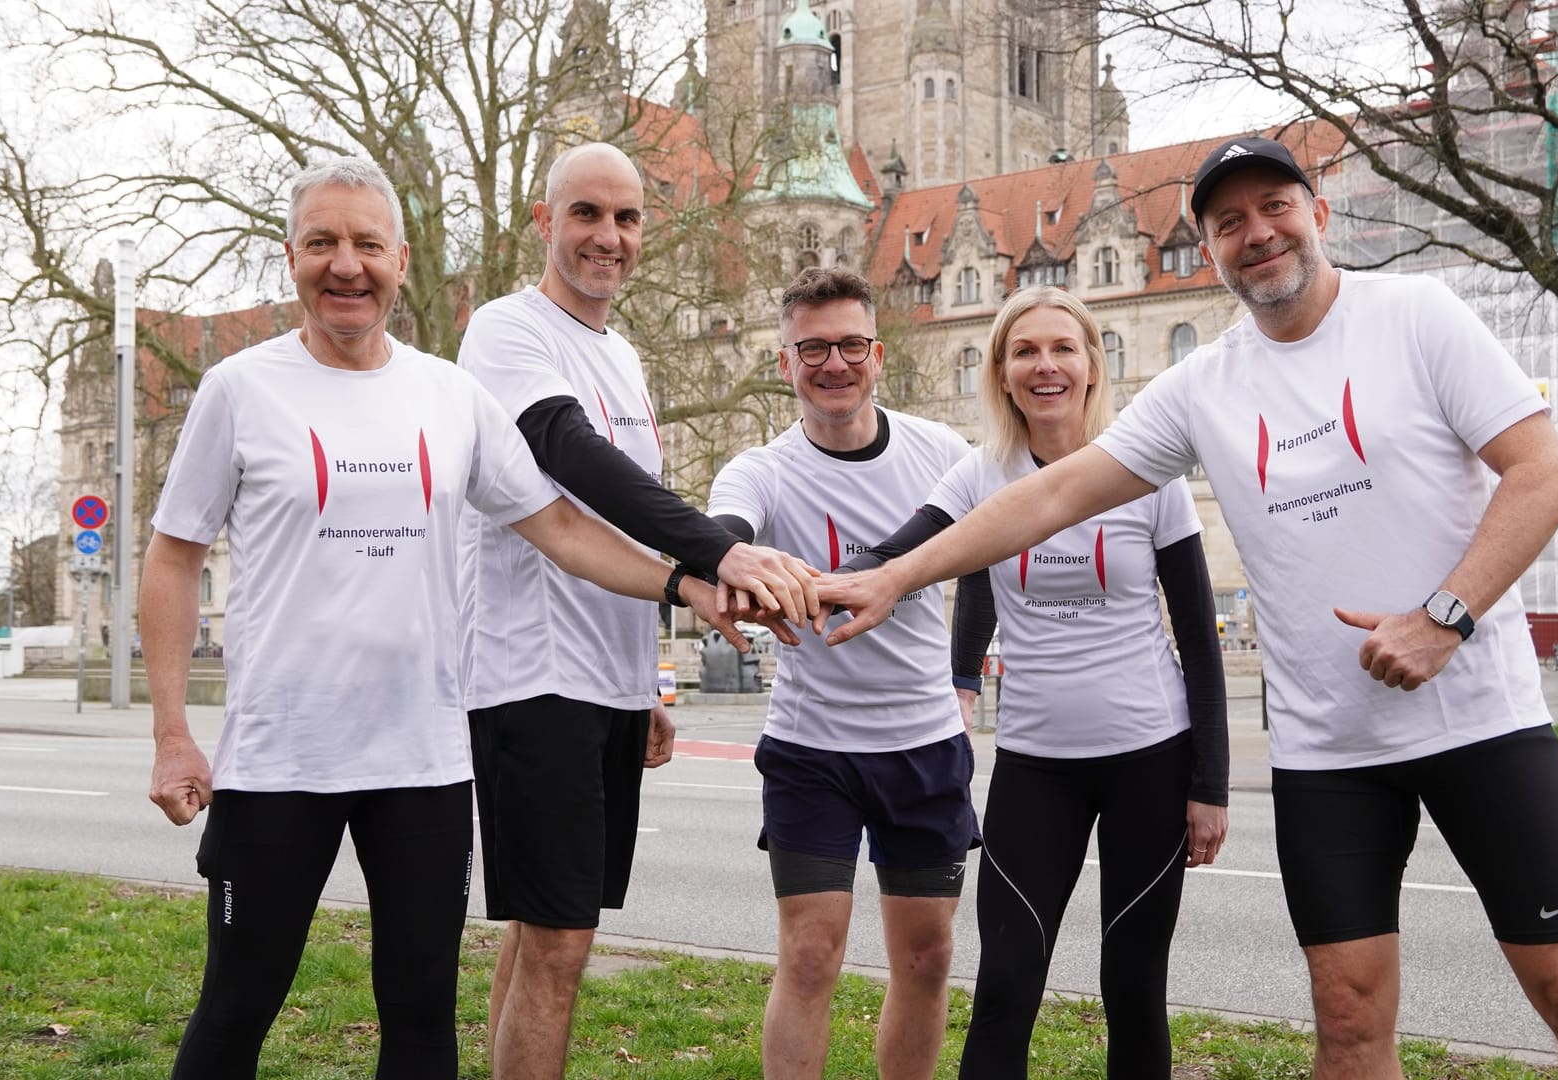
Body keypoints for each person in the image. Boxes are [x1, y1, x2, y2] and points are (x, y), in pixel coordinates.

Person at [817, 137, 1558, 1079]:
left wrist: (1443, 617)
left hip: (1479, 720)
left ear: (1319, 213)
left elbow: (1544, 474)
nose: (1255, 233)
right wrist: (897, 576)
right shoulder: (1199, 386)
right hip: (1328, 752)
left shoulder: (1416, 316)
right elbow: (1049, 496)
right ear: (1210, 247)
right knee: (1346, 1024)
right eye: (1228, 222)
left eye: (1274, 207)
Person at [139, 156, 749, 1080]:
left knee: (423, 1022)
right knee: (237, 1006)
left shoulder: (448, 395)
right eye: (323, 244)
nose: (347, 266)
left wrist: (683, 585)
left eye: (367, 245)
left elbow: (556, 525)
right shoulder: (239, 389)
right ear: (291, 257)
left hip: (421, 762)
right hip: (278, 759)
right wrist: (174, 734)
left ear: (401, 257)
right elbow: (174, 556)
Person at [455, 141, 818, 1080]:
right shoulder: (507, 331)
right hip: (531, 678)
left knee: (542, 932)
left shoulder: (624, 352)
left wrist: (644, 679)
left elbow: (622, 525)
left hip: (603, 684)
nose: (607, 237)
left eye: (625, 218)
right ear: (544, 221)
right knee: (563, 945)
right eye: (585, 214)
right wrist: (718, 551)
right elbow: (570, 460)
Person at [845, 286, 1230, 1078]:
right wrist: (803, 580)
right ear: (1002, 372)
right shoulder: (981, 473)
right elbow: (904, 553)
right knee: (1008, 983)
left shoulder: (1147, 470)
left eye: (1064, 348)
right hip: (1034, 761)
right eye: (1025, 351)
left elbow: (1198, 634)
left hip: (1149, 758)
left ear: (1093, 365)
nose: (1045, 365)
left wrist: (1211, 785)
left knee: (1133, 985)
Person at [706, 266, 977, 1080]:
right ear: (784, 363)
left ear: (878, 353)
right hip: (811, 752)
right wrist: (735, 566)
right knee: (812, 957)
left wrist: (965, 678)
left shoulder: (943, 452)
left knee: (927, 960)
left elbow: (992, 552)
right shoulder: (762, 468)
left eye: (850, 345)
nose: (834, 364)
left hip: (925, 746)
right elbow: (724, 531)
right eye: (812, 349)